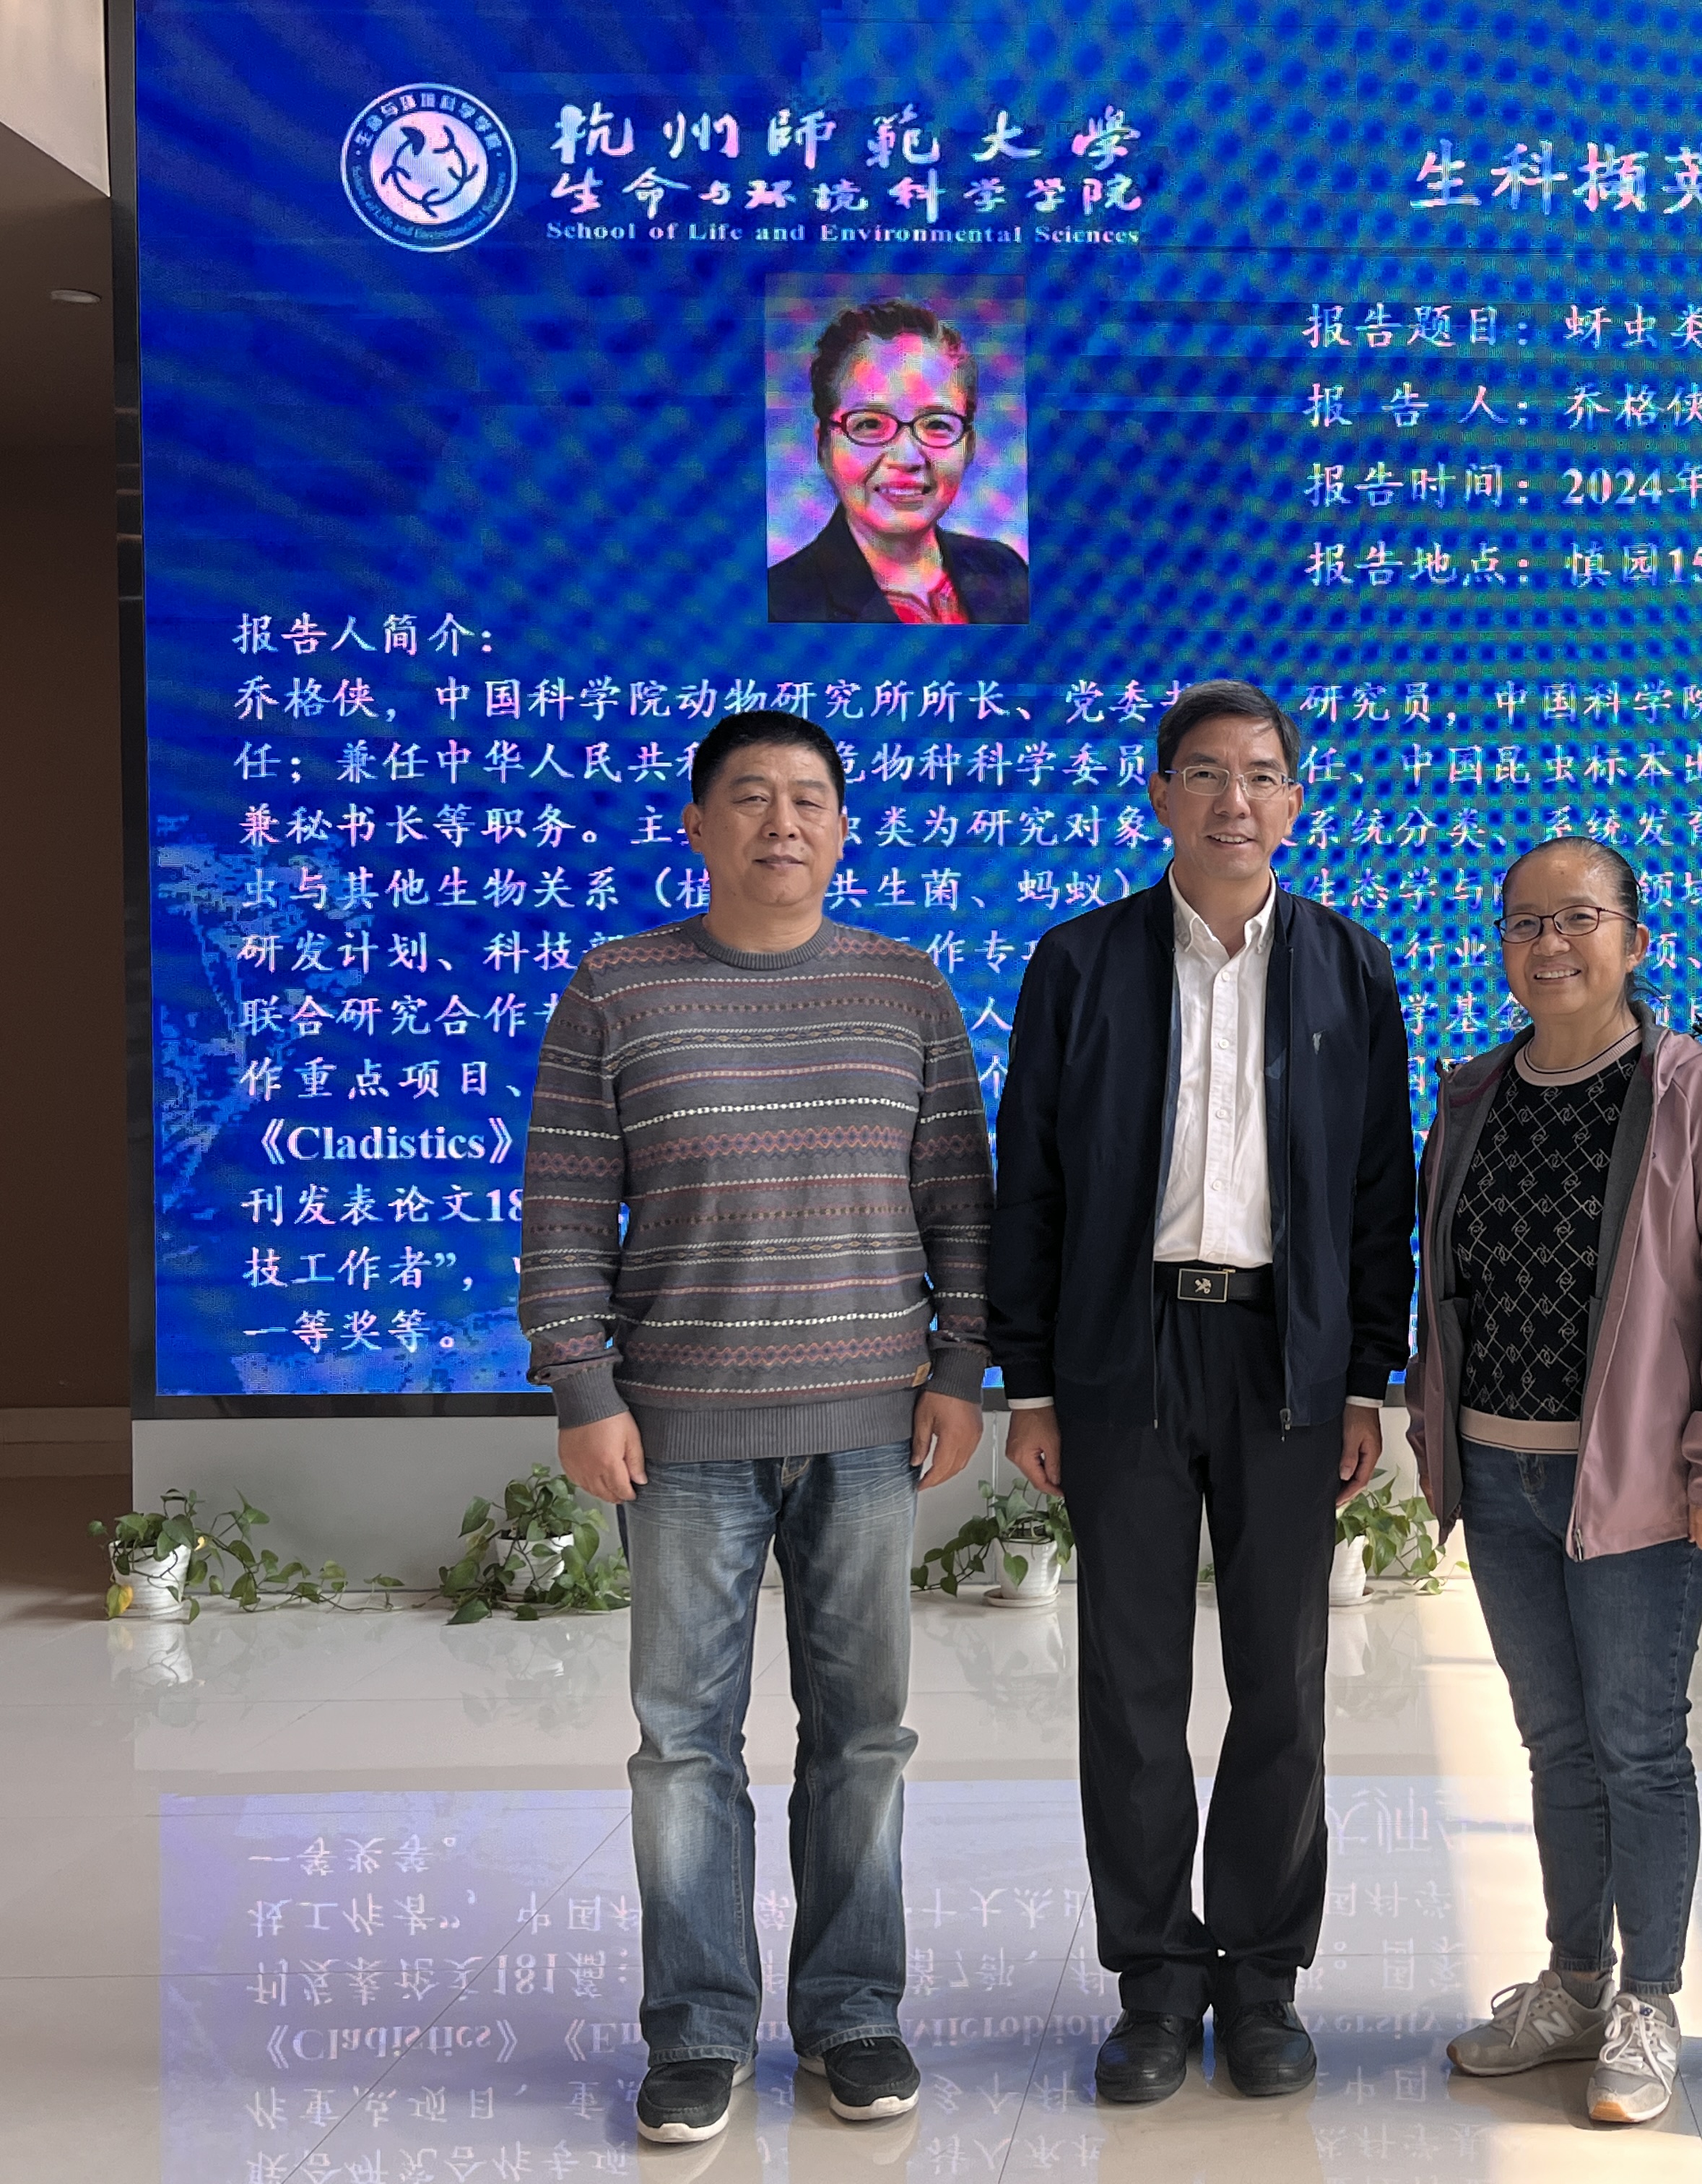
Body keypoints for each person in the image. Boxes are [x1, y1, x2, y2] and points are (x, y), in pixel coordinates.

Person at [517, 710, 993, 2146]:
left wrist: (960, 1366)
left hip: (868, 1428)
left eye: (807, 799)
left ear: (842, 828)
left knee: (863, 1736)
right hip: (680, 1435)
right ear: (697, 824)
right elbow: (563, 1206)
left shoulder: (906, 987)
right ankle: (698, 2026)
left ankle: (853, 2010)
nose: (780, 822)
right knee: (683, 1742)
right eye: (749, 797)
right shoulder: (616, 987)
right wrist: (584, 1385)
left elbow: (958, 1204)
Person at [989, 678, 1416, 2105]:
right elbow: (1031, 1178)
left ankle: (1263, 1974)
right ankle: (1158, 1979)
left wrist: (1365, 1377)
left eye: (1261, 774)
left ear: (1295, 800)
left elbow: (1378, 1193)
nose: (1236, 799)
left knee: (1281, 1680)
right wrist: (1029, 1382)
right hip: (1124, 1349)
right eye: (1206, 773)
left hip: (1285, 1358)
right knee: (1131, 1682)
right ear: (1160, 794)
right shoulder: (1081, 962)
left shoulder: (1350, 968)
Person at [1404, 838, 1702, 2125]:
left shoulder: (1694, 1095)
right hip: (1497, 1473)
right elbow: (1445, 1282)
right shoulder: (1473, 1095)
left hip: (1636, 1483)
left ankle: (1651, 1998)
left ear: (1636, 940)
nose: (1550, 945)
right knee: (1554, 1742)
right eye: (1524, 922)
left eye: (1578, 918)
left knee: (1637, 1743)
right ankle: (1574, 1981)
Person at [766, 298, 1030, 625]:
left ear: (969, 445)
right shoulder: (779, 606)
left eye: (937, 424)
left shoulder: (1006, 572)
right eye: (869, 424)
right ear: (823, 446)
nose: (907, 458)